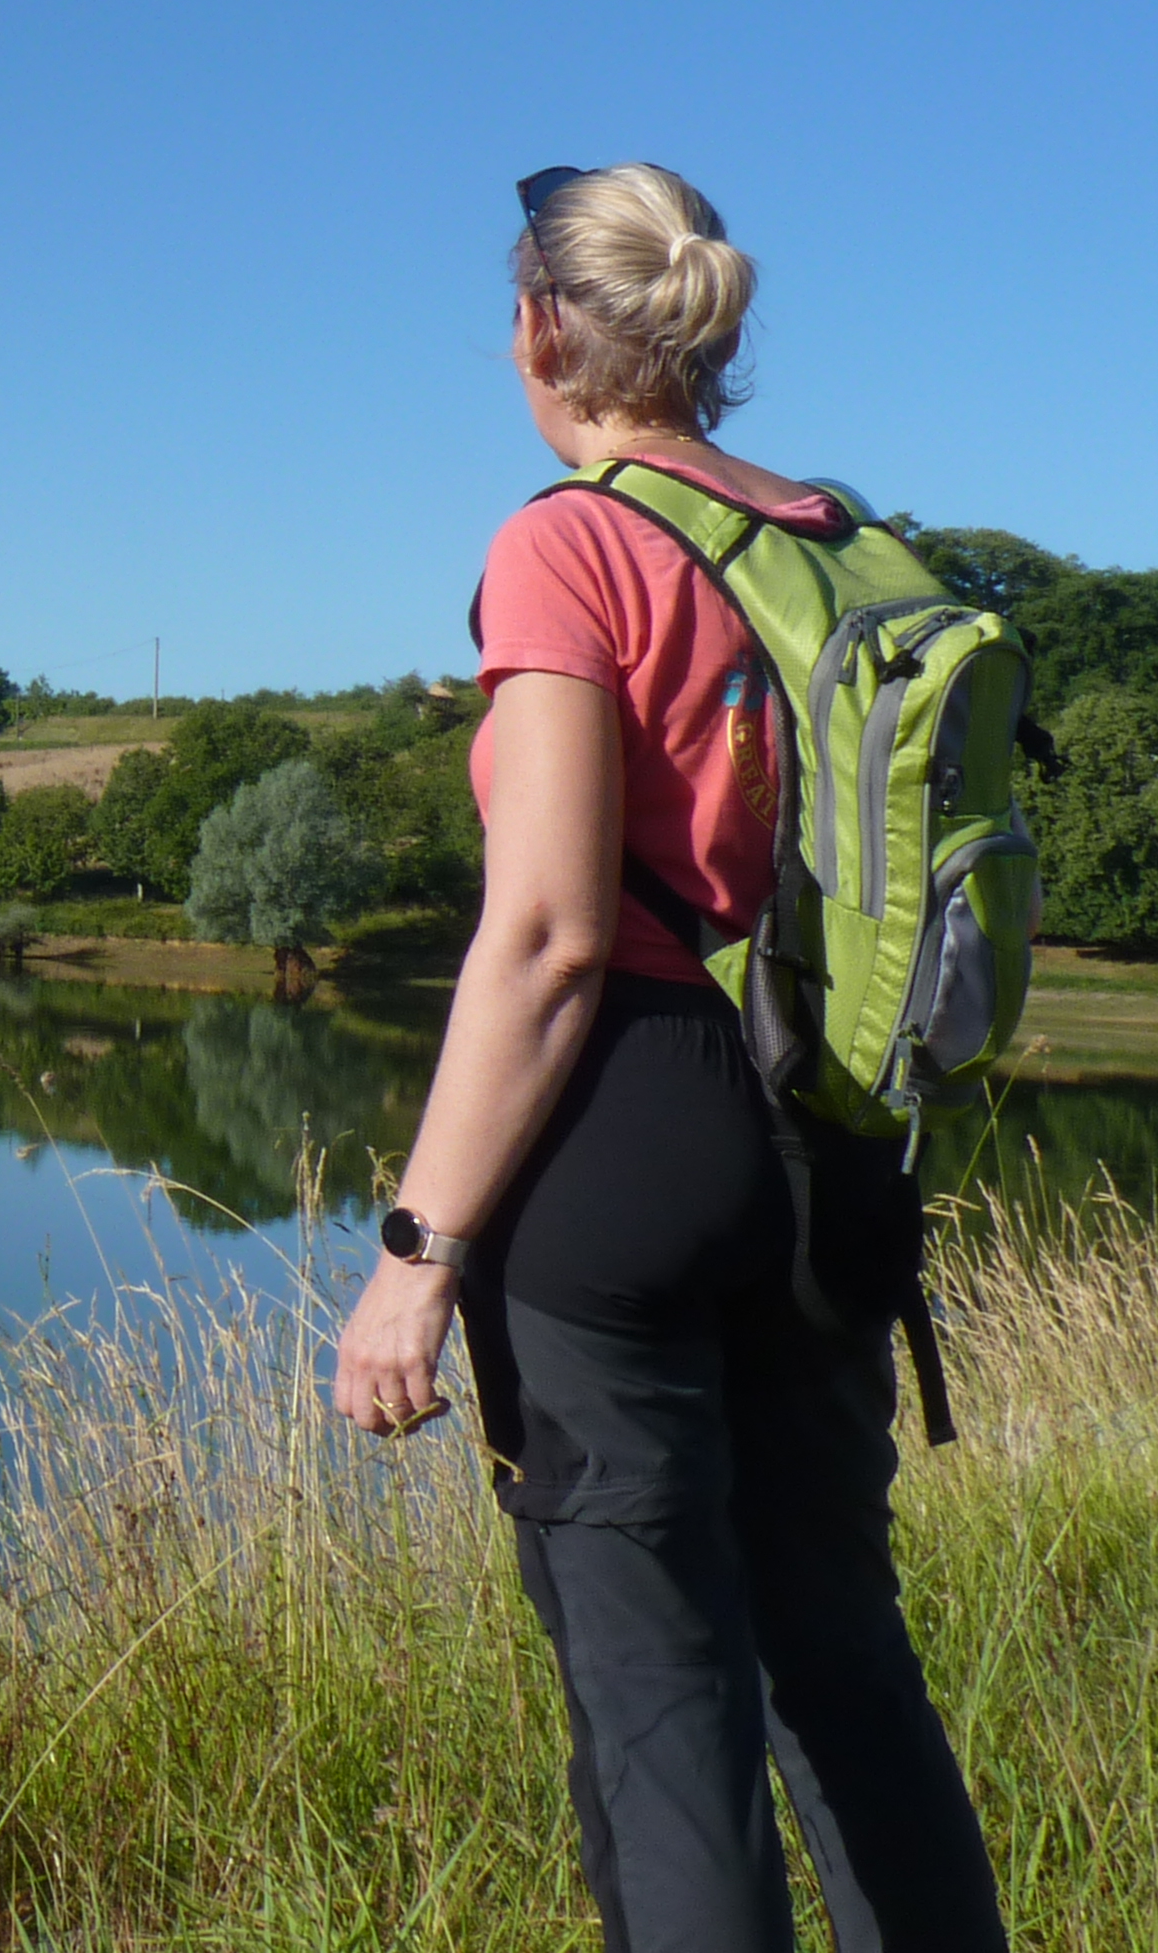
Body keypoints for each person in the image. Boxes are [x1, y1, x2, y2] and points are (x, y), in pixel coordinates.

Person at [333, 163, 1006, 1952]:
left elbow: (548, 937)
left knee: (663, 1710)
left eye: (511, 315)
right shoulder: (841, 546)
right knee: (850, 1679)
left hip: (626, 1137)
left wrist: (417, 1256)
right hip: (834, 1142)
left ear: (548, 325)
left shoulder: (570, 540)